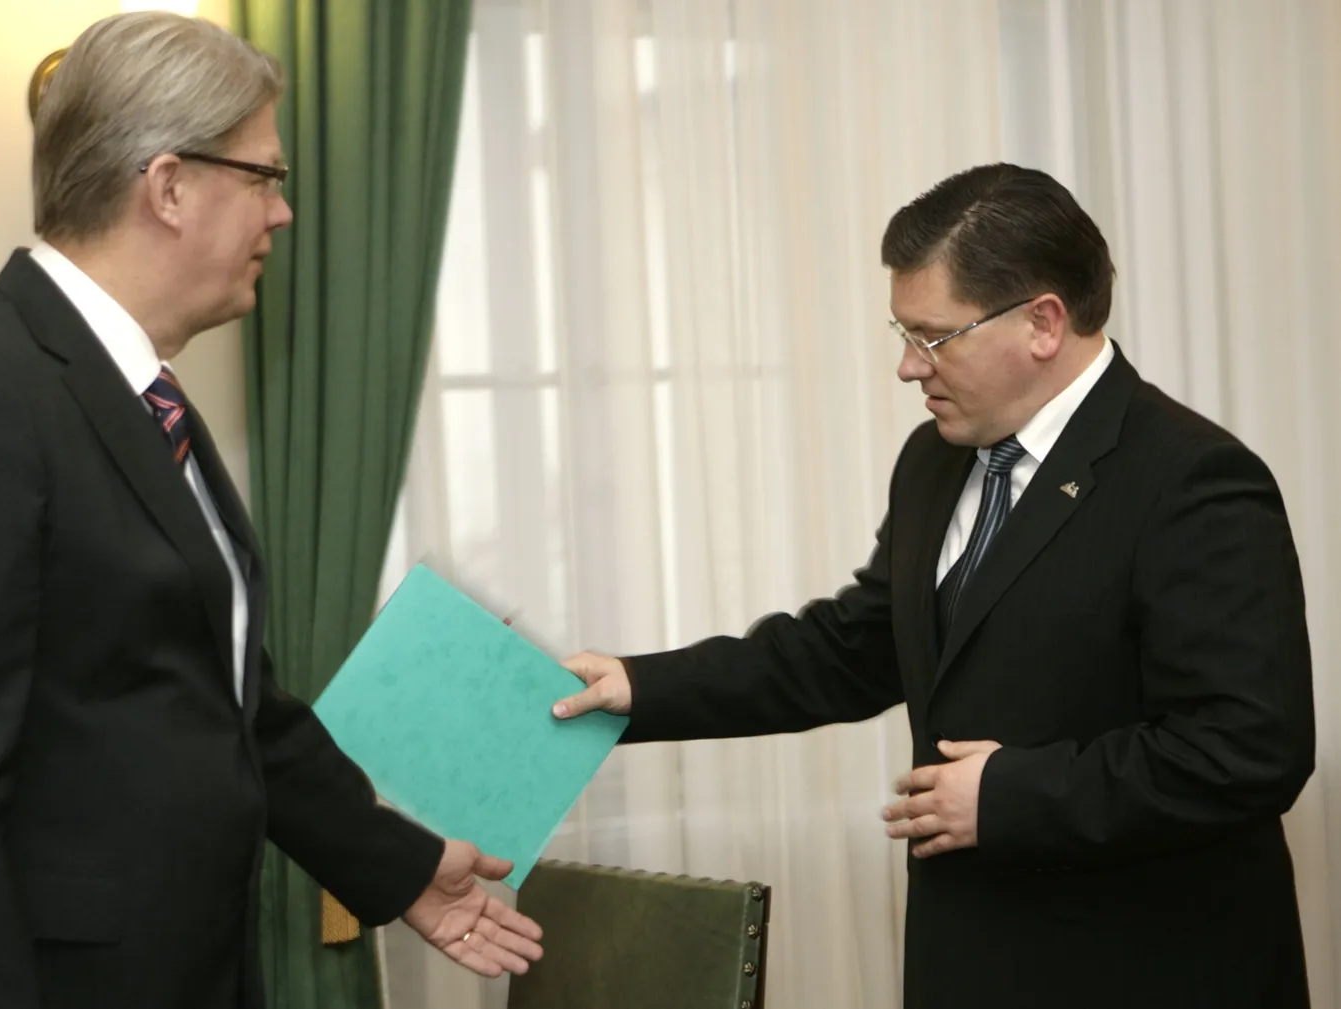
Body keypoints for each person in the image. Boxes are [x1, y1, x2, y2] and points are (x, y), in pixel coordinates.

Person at [555, 163, 1314, 1009]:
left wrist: (1011, 795)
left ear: (1042, 322)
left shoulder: (1192, 479)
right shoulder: (937, 459)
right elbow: (858, 645)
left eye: (934, 336)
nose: (909, 368)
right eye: (902, 332)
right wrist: (642, 686)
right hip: (971, 960)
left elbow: (1248, 749)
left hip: (1145, 969)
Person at [0, 12, 540, 1009]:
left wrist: (399, 866)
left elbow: (227, 705)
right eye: (263, 176)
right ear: (167, 185)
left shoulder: (139, 393)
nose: (281, 214)